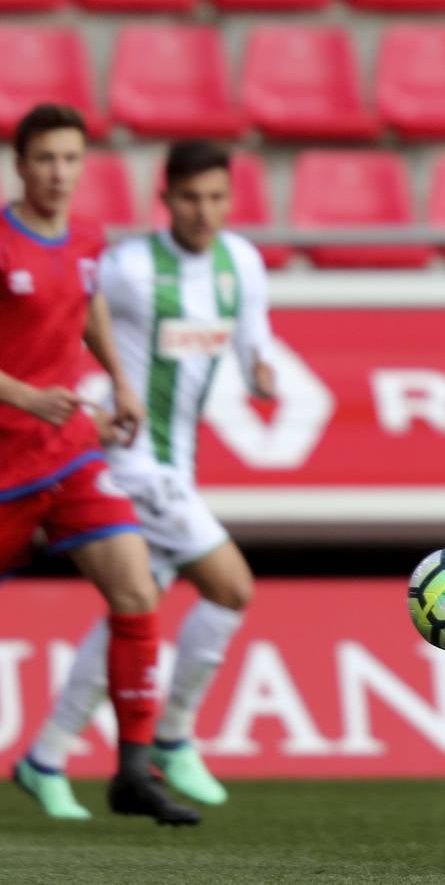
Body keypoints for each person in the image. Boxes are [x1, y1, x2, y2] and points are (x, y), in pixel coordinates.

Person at [16, 140, 275, 818]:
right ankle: (172, 736)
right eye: (190, 198)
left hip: (178, 463)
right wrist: (96, 398)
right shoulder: (130, 268)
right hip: (135, 464)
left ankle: (46, 754)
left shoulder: (240, 263)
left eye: (216, 197)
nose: (204, 211)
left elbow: (253, 338)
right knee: (230, 585)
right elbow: (63, 314)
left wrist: (261, 373)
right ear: (164, 200)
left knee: (133, 608)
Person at [1, 104, 199, 825]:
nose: (59, 172)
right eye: (45, 159)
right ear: (20, 165)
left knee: (136, 590)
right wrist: (25, 395)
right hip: (4, 464)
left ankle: (131, 772)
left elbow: (84, 306)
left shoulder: (88, 237)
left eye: (70, 159)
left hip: (68, 455)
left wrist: (116, 378)